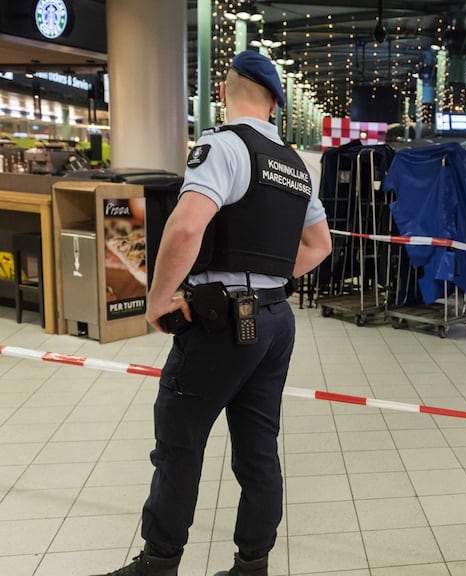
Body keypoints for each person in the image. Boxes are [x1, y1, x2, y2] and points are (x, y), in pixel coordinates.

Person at [95, 51, 332, 576]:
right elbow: (320, 246)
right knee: (258, 451)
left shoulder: (223, 146)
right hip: (274, 322)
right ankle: (252, 565)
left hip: (221, 325)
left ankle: (158, 563)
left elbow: (184, 229)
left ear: (226, 91)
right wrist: (268, 277)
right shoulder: (296, 165)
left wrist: (158, 298)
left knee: (179, 443)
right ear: (275, 102)